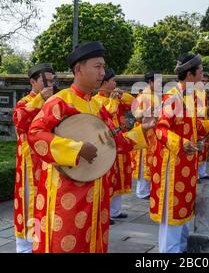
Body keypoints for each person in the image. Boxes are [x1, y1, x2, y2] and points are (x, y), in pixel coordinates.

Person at [28, 41, 150, 253]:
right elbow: (35, 135)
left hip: (97, 194)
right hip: (66, 193)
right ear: (78, 69)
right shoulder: (60, 102)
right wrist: (75, 148)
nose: (102, 72)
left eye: (103, 67)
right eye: (97, 66)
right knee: (64, 243)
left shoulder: (98, 107)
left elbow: (115, 143)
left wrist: (144, 131)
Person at [149, 53, 209, 253]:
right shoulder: (172, 98)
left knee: (184, 207)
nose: (203, 75)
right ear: (190, 74)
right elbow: (160, 129)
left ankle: (182, 247)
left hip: (186, 162)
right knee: (173, 209)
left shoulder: (191, 97)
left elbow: (195, 127)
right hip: (172, 163)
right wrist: (182, 143)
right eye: (201, 71)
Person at [13, 63, 54, 253]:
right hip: (31, 163)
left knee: (45, 203)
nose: (51, 85)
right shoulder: (24, 102)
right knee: (30, 203)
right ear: (33, 82)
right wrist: (40, 99)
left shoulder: (53, 102)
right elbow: (19, 119)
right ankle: (25, 247)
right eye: (47, 81)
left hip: (48, 161)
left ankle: (39, 243)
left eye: (54, 81)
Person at [93, 68, 135, 223]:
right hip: (108, 145)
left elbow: (133, 103)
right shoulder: (97, 100)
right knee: (108, 179)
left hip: (121, 143)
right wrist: (114, 100)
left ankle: (115, 211)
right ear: (105, 82)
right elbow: (109, 113)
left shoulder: (117, 97)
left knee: (119, 178)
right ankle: (105, 213)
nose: (115, 83)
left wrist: (121, 95)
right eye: (113, 81)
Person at [131, 71, 160, 200]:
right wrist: (147, 112)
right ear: (150, 82)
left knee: (153, 161)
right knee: (143, 162)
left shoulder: (157, 96)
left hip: (154, 132)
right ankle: (142, 191)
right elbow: (136, 115)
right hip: (144, 133)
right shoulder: (141, 97)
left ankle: (148, 189)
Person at [196, 72, 209, 181]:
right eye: (202, 81)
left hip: (204, 123)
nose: (204, 83)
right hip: (196, 124)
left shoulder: (204, 93)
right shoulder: (193, 93)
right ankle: (196, 174)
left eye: (206, 81)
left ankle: (202, 172)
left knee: (204, 148)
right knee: (197, 148)